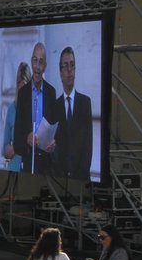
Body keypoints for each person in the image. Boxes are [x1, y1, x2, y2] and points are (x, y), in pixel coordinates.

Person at [12, 43, 59, 175]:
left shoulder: (51, 92)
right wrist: (27, 138)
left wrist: (54, 143)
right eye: (34, 60)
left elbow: (56, 132)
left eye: (41, 62)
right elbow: (16, 140)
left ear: (45, 66)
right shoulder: (23, 94)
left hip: (47, 165)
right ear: (31, 61)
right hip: (28, 164)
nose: (37, 67)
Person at [52, 47, 93, 179]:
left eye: (72, 65)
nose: (69, 70)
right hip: (60, 178)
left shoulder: (85, 103)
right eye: (65, 66)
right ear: (60, 73)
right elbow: (54, 147)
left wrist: (79, 177)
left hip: (81, 179)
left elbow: (88, 146)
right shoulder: (55, 106)